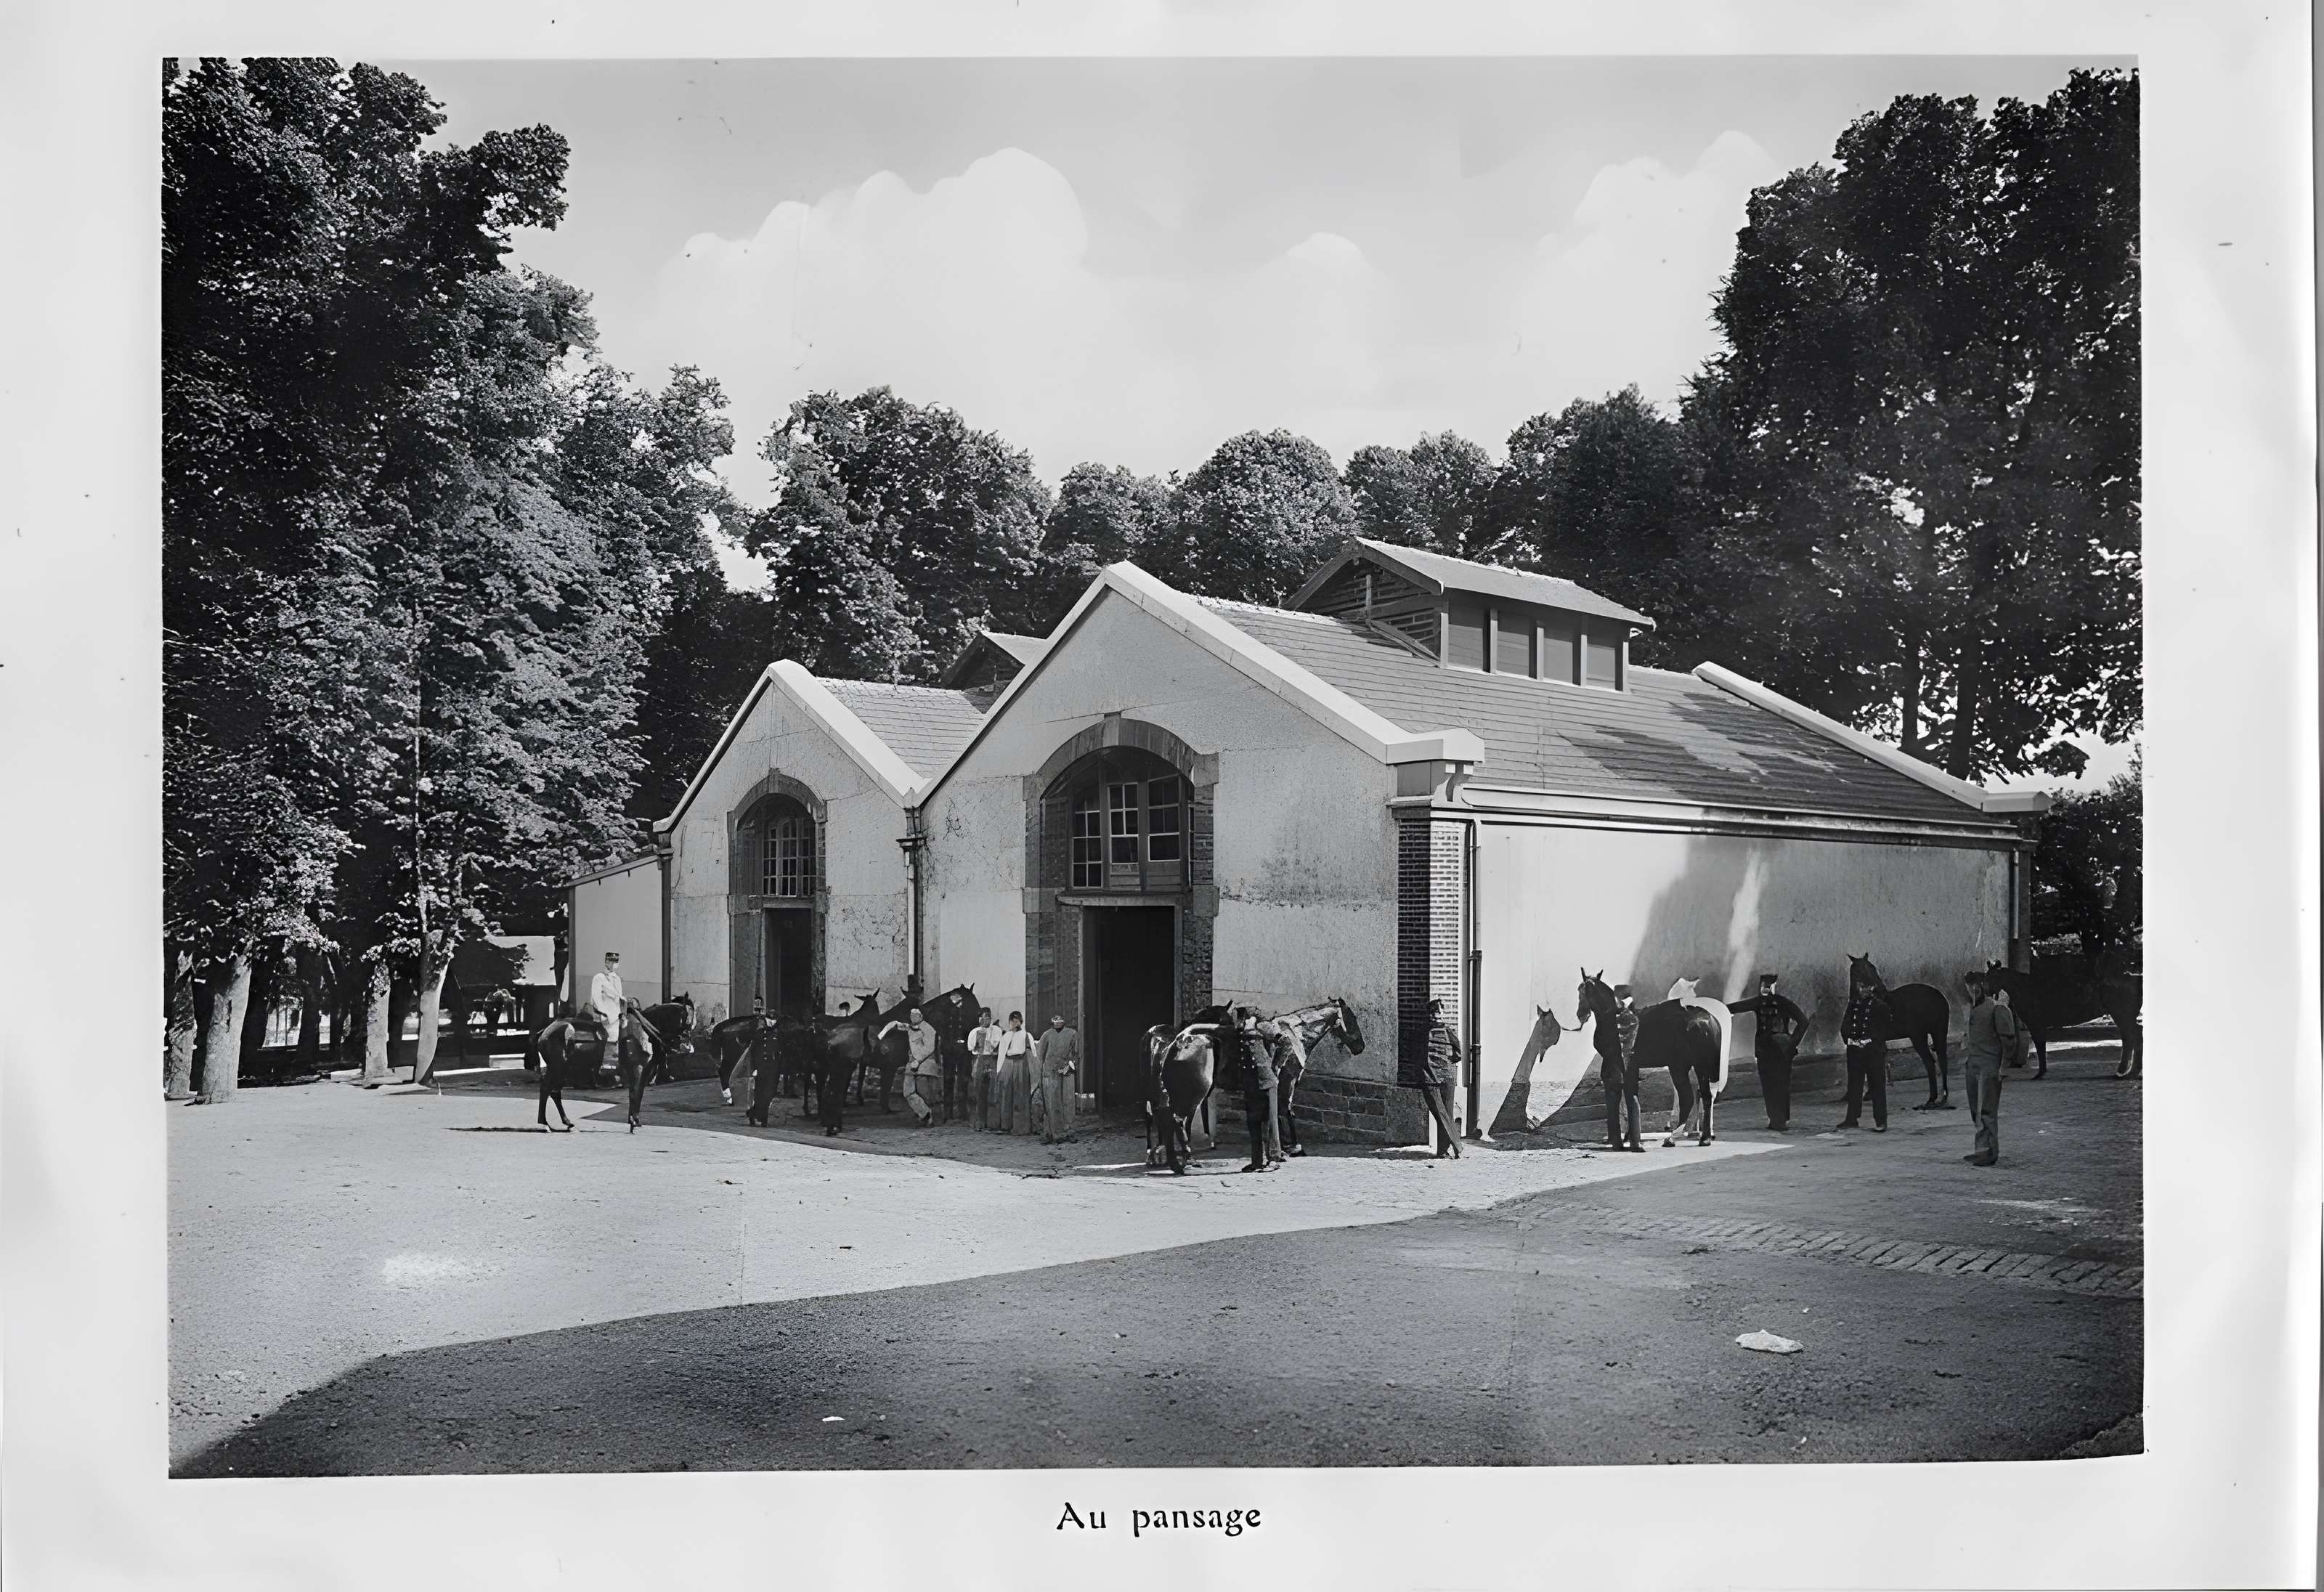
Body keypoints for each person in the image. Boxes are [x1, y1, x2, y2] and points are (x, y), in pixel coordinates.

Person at [1727, 972, 1808, 1132]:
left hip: (1780, 1051)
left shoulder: (1782, 1003)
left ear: (1773, 987)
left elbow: (1803, 1022)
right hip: (1767, 1050)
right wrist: (1791, 1042)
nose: (1766, 990)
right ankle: (1776, 1119)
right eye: (1764, 986)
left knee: (1779, 1084)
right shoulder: (1761, 1003)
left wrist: (1792, 1043)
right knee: (1771, 1085)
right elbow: (1737, 1007)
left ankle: (1780, 1120)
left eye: (1768, 986)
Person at [1961, 971, 2018, 1166]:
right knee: (1976, 1111)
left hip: (1990, 1066)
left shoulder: (1997, 1009)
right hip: (1974, 1065)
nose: (1972, 989)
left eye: (1976, 985)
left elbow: (2008, 1040)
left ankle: (1991, 1153)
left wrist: (2003, 1068)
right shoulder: (1973, 1009)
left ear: (1984, 986)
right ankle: (1981, 1149)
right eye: (1969, 985)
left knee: (1987, 1110)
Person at [1837, 967, 1890, 1132]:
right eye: (1861, 987)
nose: (1863, 990)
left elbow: (1885, 1030)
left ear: (1873, 988)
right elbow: (1845, 1026)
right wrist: (1849, 1040)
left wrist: (1869, 1040)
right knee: (1854, 1086)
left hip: (1873, 1052)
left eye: (1867, 987)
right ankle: (1851, 1118)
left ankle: (1881, 1121)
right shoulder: (1853, 1005)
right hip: (1855, 1051)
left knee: (1877, 1086)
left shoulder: (1880, 1006)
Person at [1233, 1007, 1283, 1171]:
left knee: (1270, 1122)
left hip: (1266, 1082)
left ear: (1244, 1018)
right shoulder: (1240, 1033)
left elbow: (1286, 1043)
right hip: (1251, 1084)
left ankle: (1274, 1159)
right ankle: (1257, 1161)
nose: (1236, 1023)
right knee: (1253, 1122)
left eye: (1237, 1019)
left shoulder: (1262, 1027)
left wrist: (1275, 1065)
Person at [1415, 997, 1463, 1158]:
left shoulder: (1446, 1031)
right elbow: (1418, 1054)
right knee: (1441, 1113)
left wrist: (1445, 1064)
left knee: (1445, 1114)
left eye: (1438, 1012)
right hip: (1432, 1077)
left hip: (1442, 1078)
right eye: (1434, 1012)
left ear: (1441, 1013)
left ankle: (1444, 1150)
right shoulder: (1424, 1032)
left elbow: (1458, 1053)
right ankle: (1455, 1141)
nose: (1436, 1015)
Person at [881, 1007, 942, 1127]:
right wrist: (893, 1024)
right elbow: (902, 1026)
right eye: (911, 1015)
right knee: (908, 1092)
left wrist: (918, 1061)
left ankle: (928, 1118)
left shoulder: (929, 1029)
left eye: (915, 1015)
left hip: (924, 1065)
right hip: (911, 1064)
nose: (912, 1018)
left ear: (921, 1016)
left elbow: (929, 1048)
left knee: (924, 1093)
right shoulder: (911, 1027)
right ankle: (925, 1114)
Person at [1603, 983, 1644, 1152]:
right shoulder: (1636, 1018)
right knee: (1632, 1103)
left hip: (1613, 1067)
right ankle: (1635, 1142)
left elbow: (1600, 1043)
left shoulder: (1609, 1019)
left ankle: (1616, 1142)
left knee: (1613, 1106)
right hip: (1629, 1068)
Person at [1264, 1017, 1309, 1158]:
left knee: (1283, 1107)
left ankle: (1289, 1145)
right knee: (1285, 1107)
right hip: (1289, 1073)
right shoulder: (1294, 1042)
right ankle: (1291, 1144)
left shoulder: (1287, 1042)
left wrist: (1276, 1068)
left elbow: (1286, 1051)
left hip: (1286, 1074)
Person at [1036, 1014, 1081, 1145]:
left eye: (1060, 1021)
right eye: (1055, 1021)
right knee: (1051, 1102)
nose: (1057, 1023)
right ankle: (1052, 1132)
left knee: (1068, 1102)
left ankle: (1069, 1132)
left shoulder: (1072, 1034)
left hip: (1067, 1071)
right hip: (1050, 1072)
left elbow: (1076, 1053)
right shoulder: (1047, 1035)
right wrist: (1043, 1073)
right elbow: (1041, 1056)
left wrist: (1069, 1066)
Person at [996, 1012, 1035, 1134]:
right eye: (1013, 1021)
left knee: (1021, 1094)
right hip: (1008, 1064)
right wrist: (999, 1070)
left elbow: (1033, 1053)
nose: (1015, 1023)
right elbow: (1001, 1054)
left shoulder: (1026, 1035)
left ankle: (1021, 1127)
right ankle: (1006, 1125)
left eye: (1017, 1020)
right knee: (1006, 1094)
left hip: (1021, 1064)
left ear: (1021, 1022)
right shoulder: (1006, 1036)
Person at [965, 1007, 1001, 1130]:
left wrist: (990, 1043)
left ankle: (993, 1122)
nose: (986, 1020)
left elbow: (996, 1045)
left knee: (993, 1090)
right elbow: (972, 1048)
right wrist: (978, 1043)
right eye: (984, 1018)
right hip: (979, 1060)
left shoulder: (996, 1030)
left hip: (992, 1059)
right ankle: (979, 1121)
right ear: (980, 1019)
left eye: (988, 1018)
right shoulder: (974, 1032)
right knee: (978, 1090)